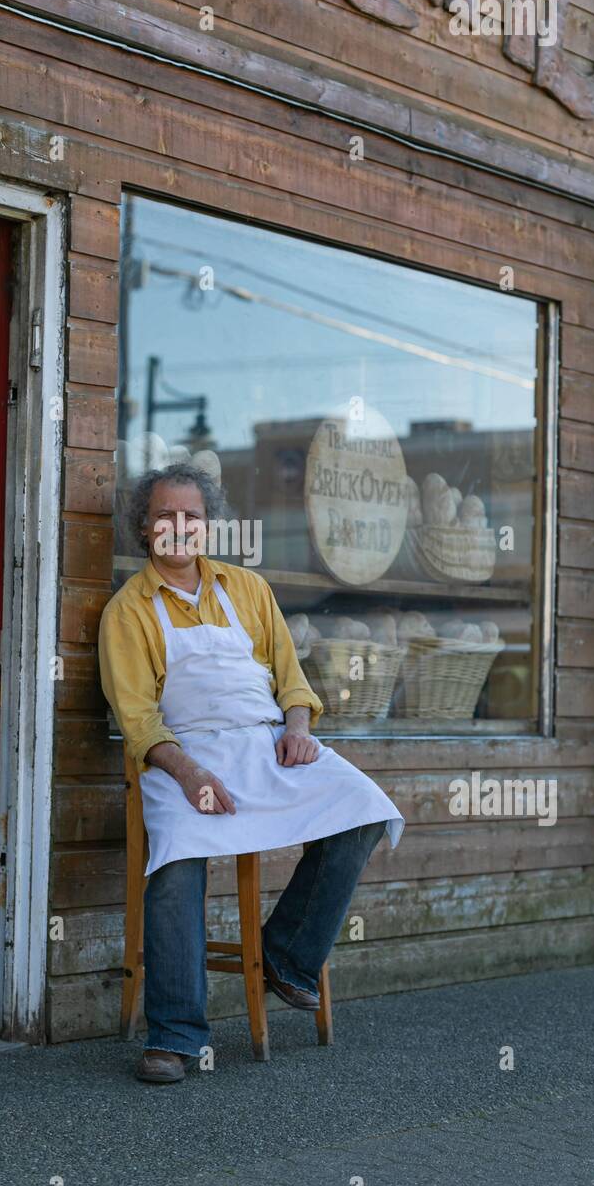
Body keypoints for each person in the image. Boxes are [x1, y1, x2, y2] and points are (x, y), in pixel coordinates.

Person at [98, 463, 405, 1083]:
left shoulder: (247, 589)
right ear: (144, 526)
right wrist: (188, 775)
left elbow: (292, 680)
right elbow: (138, 720)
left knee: (364, 806)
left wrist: (297, 729)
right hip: (182, 757)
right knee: (178, 852)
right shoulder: (127, 612)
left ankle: (284, 957)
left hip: (268, 745)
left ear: (208, 527)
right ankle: (176, 1037)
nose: (179, 528)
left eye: (192, 517)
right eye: (165, 516)